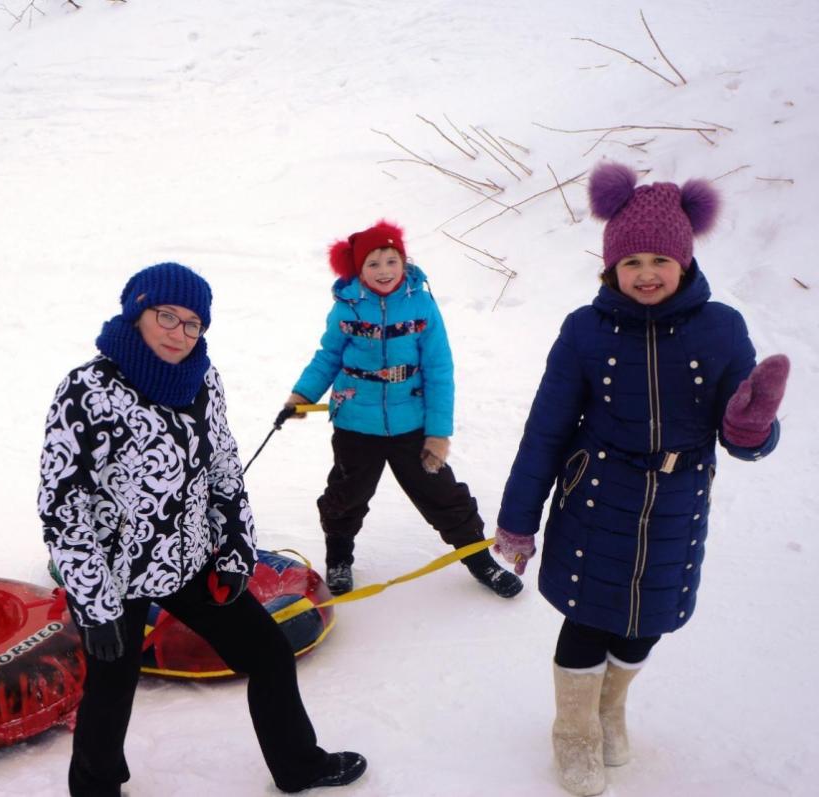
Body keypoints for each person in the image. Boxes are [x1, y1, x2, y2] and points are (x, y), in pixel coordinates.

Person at [492, 162, 790, 796]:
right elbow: (544, 430)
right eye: (631, 262)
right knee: (589, 616)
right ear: (609, 269)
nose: (646, 273)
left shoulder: (722, 328)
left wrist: (752, 424)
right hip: (597, 498)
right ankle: (573, 734)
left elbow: (743, 438)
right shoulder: (584, 330)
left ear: (684, 260)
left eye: (659, 258)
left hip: (678, 503)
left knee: (648, 619)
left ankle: (609, 710)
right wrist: (519, 519)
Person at [39, 262, 367, 796]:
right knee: (110, 690)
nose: (179, 333)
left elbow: (223, 466)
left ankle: (298, 765)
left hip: (190, 560)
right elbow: (63, 505)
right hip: (113, 576)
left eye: (193, 323)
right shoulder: (87, 390)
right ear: (138, 312)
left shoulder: (202, 377)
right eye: (167, 316)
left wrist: (236, 548)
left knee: (268, 654)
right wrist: (94, 603)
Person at [283, 220, 521, 599]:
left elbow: (439, 370)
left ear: (403, 260)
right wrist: (301, 396)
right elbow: (328, 356)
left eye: (391, 261)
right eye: (373, 264)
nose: (383, 271)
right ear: (358, 269)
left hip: (412, 424)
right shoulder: (347, 306)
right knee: (346, 494)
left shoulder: (421, 304)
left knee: (443, 494)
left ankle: (479, 559)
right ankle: (339, 558)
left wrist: (438, 433)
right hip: (355, 423)